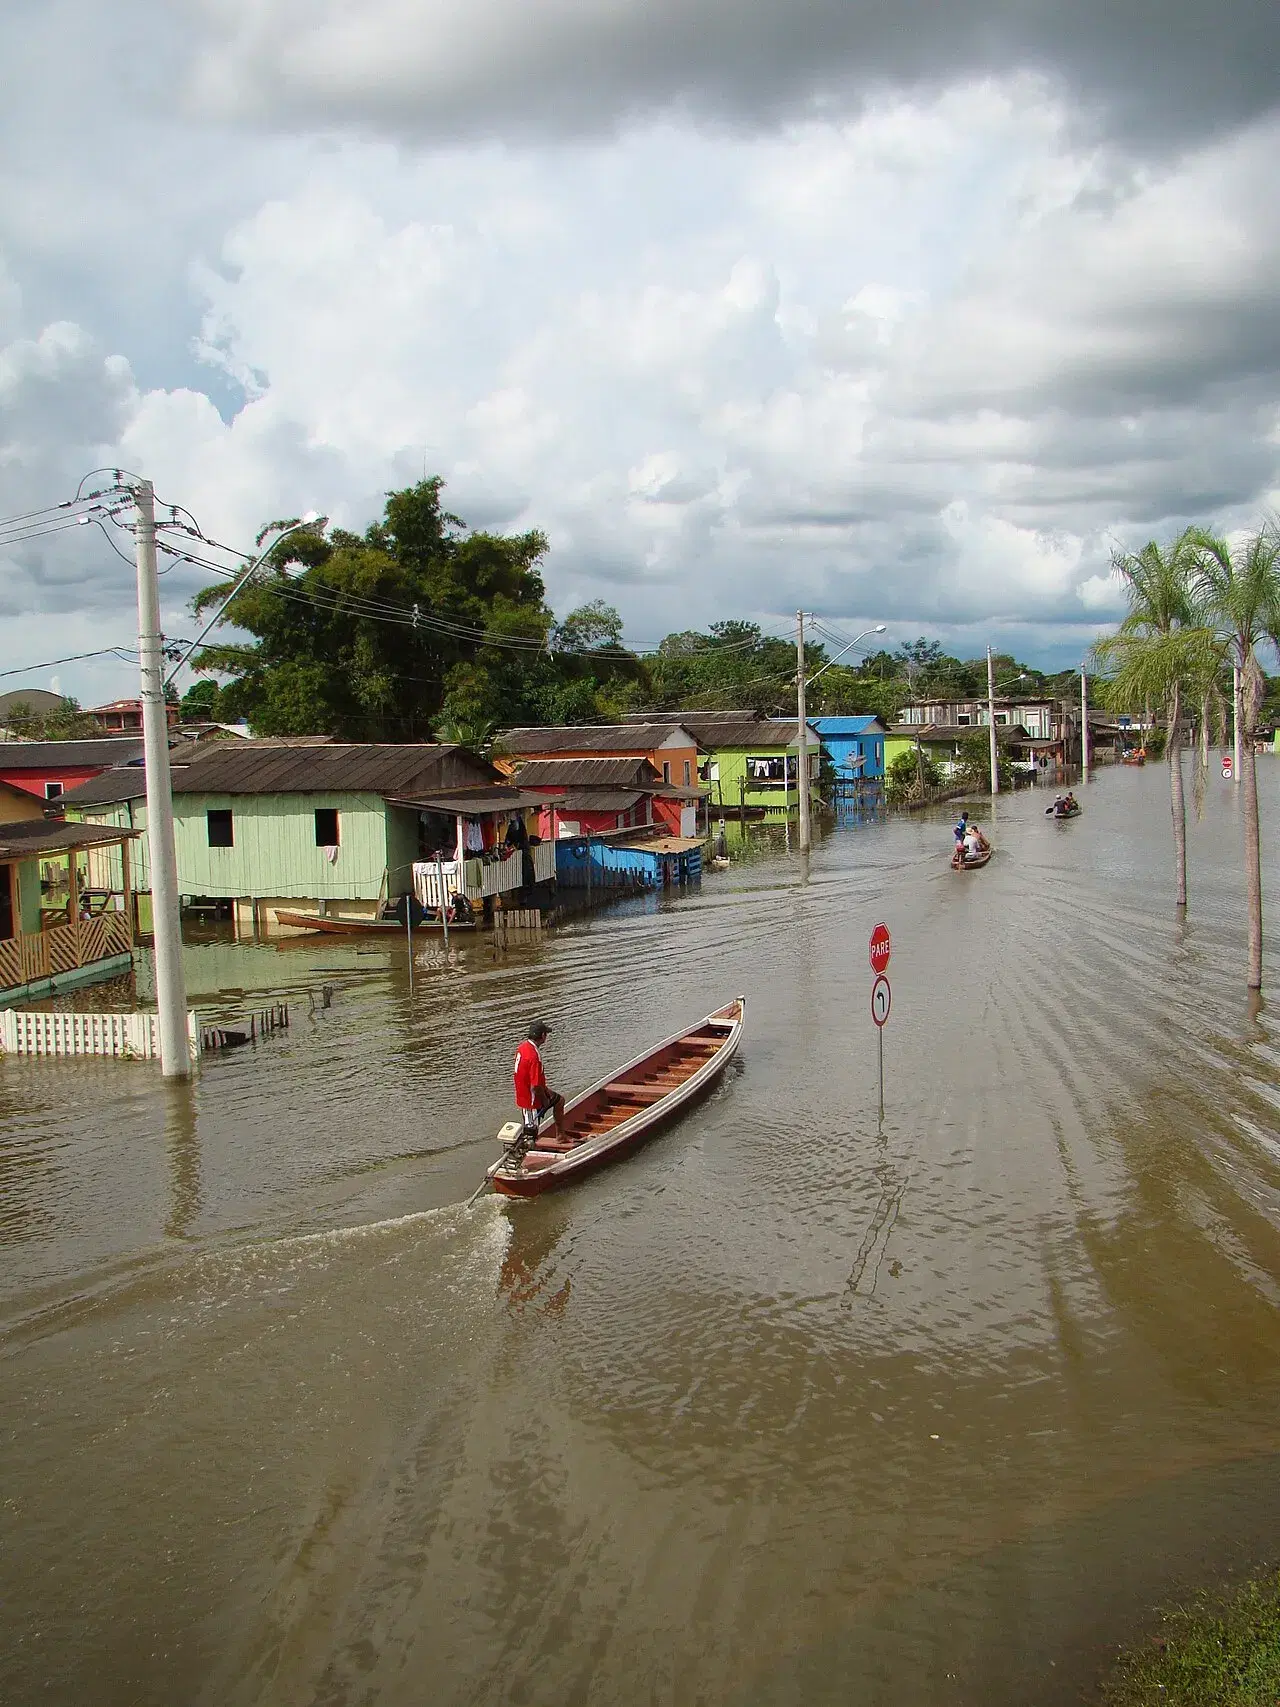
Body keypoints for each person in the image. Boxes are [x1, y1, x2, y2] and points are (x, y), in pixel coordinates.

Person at [513, 1020, 566, 1145]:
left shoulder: (522, 1047)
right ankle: (529, 1149)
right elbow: (535, 1086)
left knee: (559, 1100)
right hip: (530, 1097)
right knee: (531, 1129)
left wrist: (547, 1091)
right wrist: (545, 1100)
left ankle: (561, 1136)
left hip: (525, 1090)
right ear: (543, 1036)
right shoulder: (534, 1056)